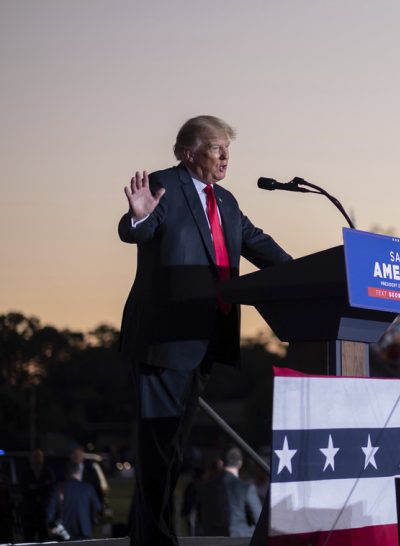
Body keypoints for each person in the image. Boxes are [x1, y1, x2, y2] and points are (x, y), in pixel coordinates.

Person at [118, 116, 292, 546]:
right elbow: (136, 227)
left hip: (206, 340)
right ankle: (155, 539)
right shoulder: (164, 185)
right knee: (157, 449)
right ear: (188, 153)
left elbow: (257, 243)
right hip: (164, 340)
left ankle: (148, 536)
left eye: (227, 148)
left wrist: (304, 273)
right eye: (216, 148)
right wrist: (137, 219)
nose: (225, 156)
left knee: (172, 449)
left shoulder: (227, 202)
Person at [196, 448, 263, 538]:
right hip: (240, 540)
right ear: (240, 463)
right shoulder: (246, 488)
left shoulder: (205, 487)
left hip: (212, 540)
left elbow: (200, 517)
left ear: (221, 462)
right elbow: (260, 521)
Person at [47, 462, 101, 541]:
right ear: (79, 472)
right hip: (84, 531)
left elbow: (50, 513)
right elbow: (97, 509)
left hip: (63, 533)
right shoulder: (88, 488)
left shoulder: (59, 488)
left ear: (67, 473)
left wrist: (52, 527)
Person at [19, 448, 56, 542]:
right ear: (30, 458)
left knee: (44, 538)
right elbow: (23, 489)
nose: (38, 458)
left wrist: (35, 488)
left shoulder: (47, 472)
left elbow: (50, 489)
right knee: (29, 539)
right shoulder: (25, 473)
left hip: (43, 512)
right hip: (29, 513)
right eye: (35, 456)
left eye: (39, 456)